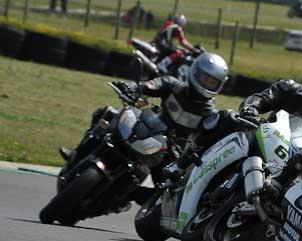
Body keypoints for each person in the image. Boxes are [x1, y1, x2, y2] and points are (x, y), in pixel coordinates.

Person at [59, 53, 232, 181]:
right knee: (108, 113)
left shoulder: (209, 114)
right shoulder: (174, 86)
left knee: (168, 187)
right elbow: (151, 85)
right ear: (194, 72)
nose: (206, 84)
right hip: (149, 128)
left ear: (219, 85)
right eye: (204, 78)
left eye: (212, 82)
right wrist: (133, 87)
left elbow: (208, 138)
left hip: (169, 153)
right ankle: (77, 154)